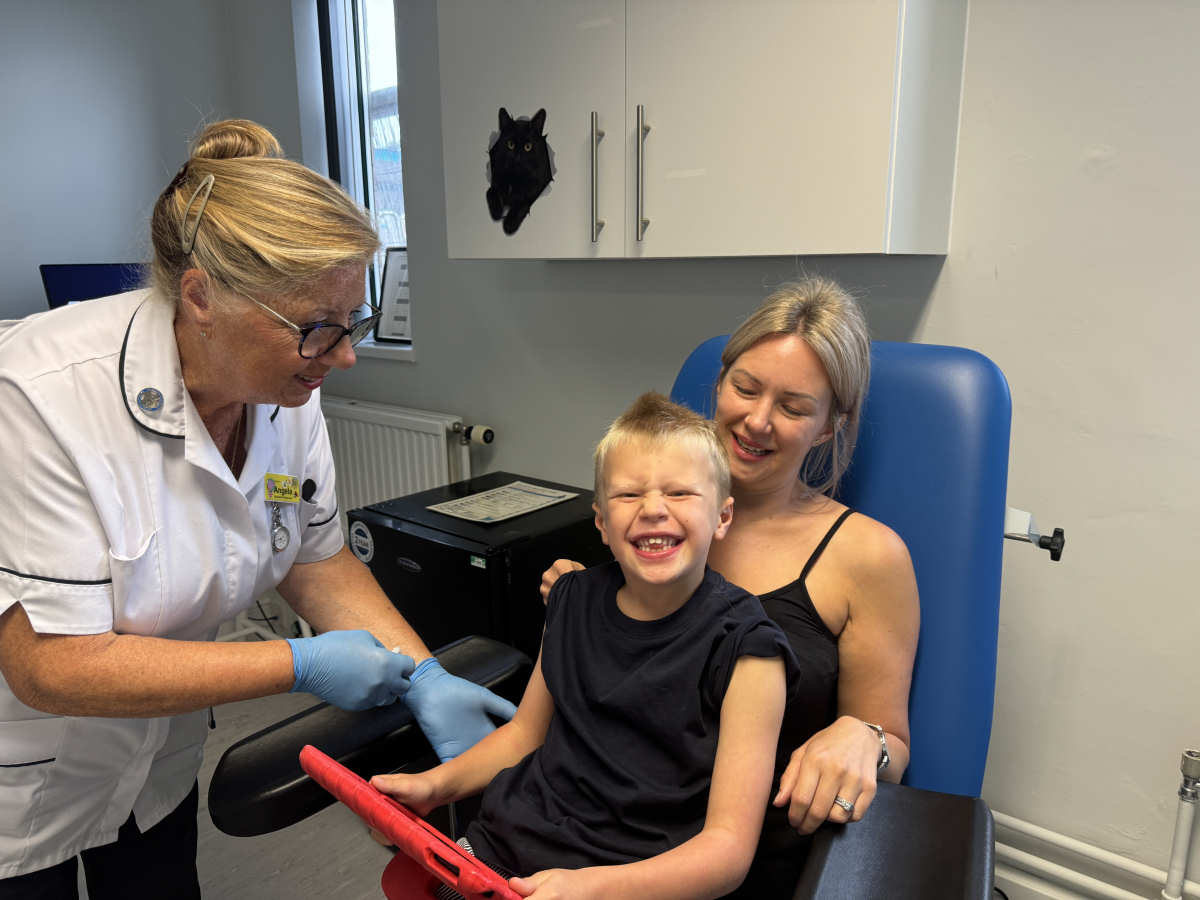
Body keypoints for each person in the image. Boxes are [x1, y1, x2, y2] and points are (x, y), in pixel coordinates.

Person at [0, 119, 514, 897]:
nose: (342, 356)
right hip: (22, 769)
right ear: (203, 296)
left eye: (353, 323)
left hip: (157, 757)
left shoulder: (284, 389)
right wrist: (295, 664)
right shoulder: (39, 396)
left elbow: (315, 558)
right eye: (316, 329)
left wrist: (423, 674)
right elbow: (51, 665)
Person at [540, 277, 920, 894]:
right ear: (718, 386)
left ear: (828, 426)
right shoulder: (658, 514)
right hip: (602, 836)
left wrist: (865, 737)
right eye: (745, 388)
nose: (757, 421)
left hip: (739, 862)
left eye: (795, 407)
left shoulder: (868, 556)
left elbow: (893, 748)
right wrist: (584, 606)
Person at [371, 392, 799, 899]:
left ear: (723, 517)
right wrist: (434, 786)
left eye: (681, 493)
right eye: (628, 495)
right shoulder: (571, 601)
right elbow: (524, 734)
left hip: (627, 883)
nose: (654, 510)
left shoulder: (747, 648)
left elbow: (726, 852)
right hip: (497, 855)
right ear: (600, 522)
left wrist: (593, 889)